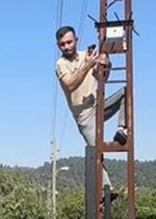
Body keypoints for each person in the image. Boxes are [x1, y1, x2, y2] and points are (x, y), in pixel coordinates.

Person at [54, 25, 128, 192]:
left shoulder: (86, 55)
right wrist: (87, 65)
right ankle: (106, 190)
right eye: (62, 44)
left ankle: (121, 128)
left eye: (69, 42)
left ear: (76, 41)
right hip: (84, 116)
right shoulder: (61, 64)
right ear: (59, 46)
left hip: (99, 105)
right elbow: (71, 84)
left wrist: (105, 64)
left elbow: (102, 76)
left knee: (126, 92)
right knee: (96, 151)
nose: (66, 47)